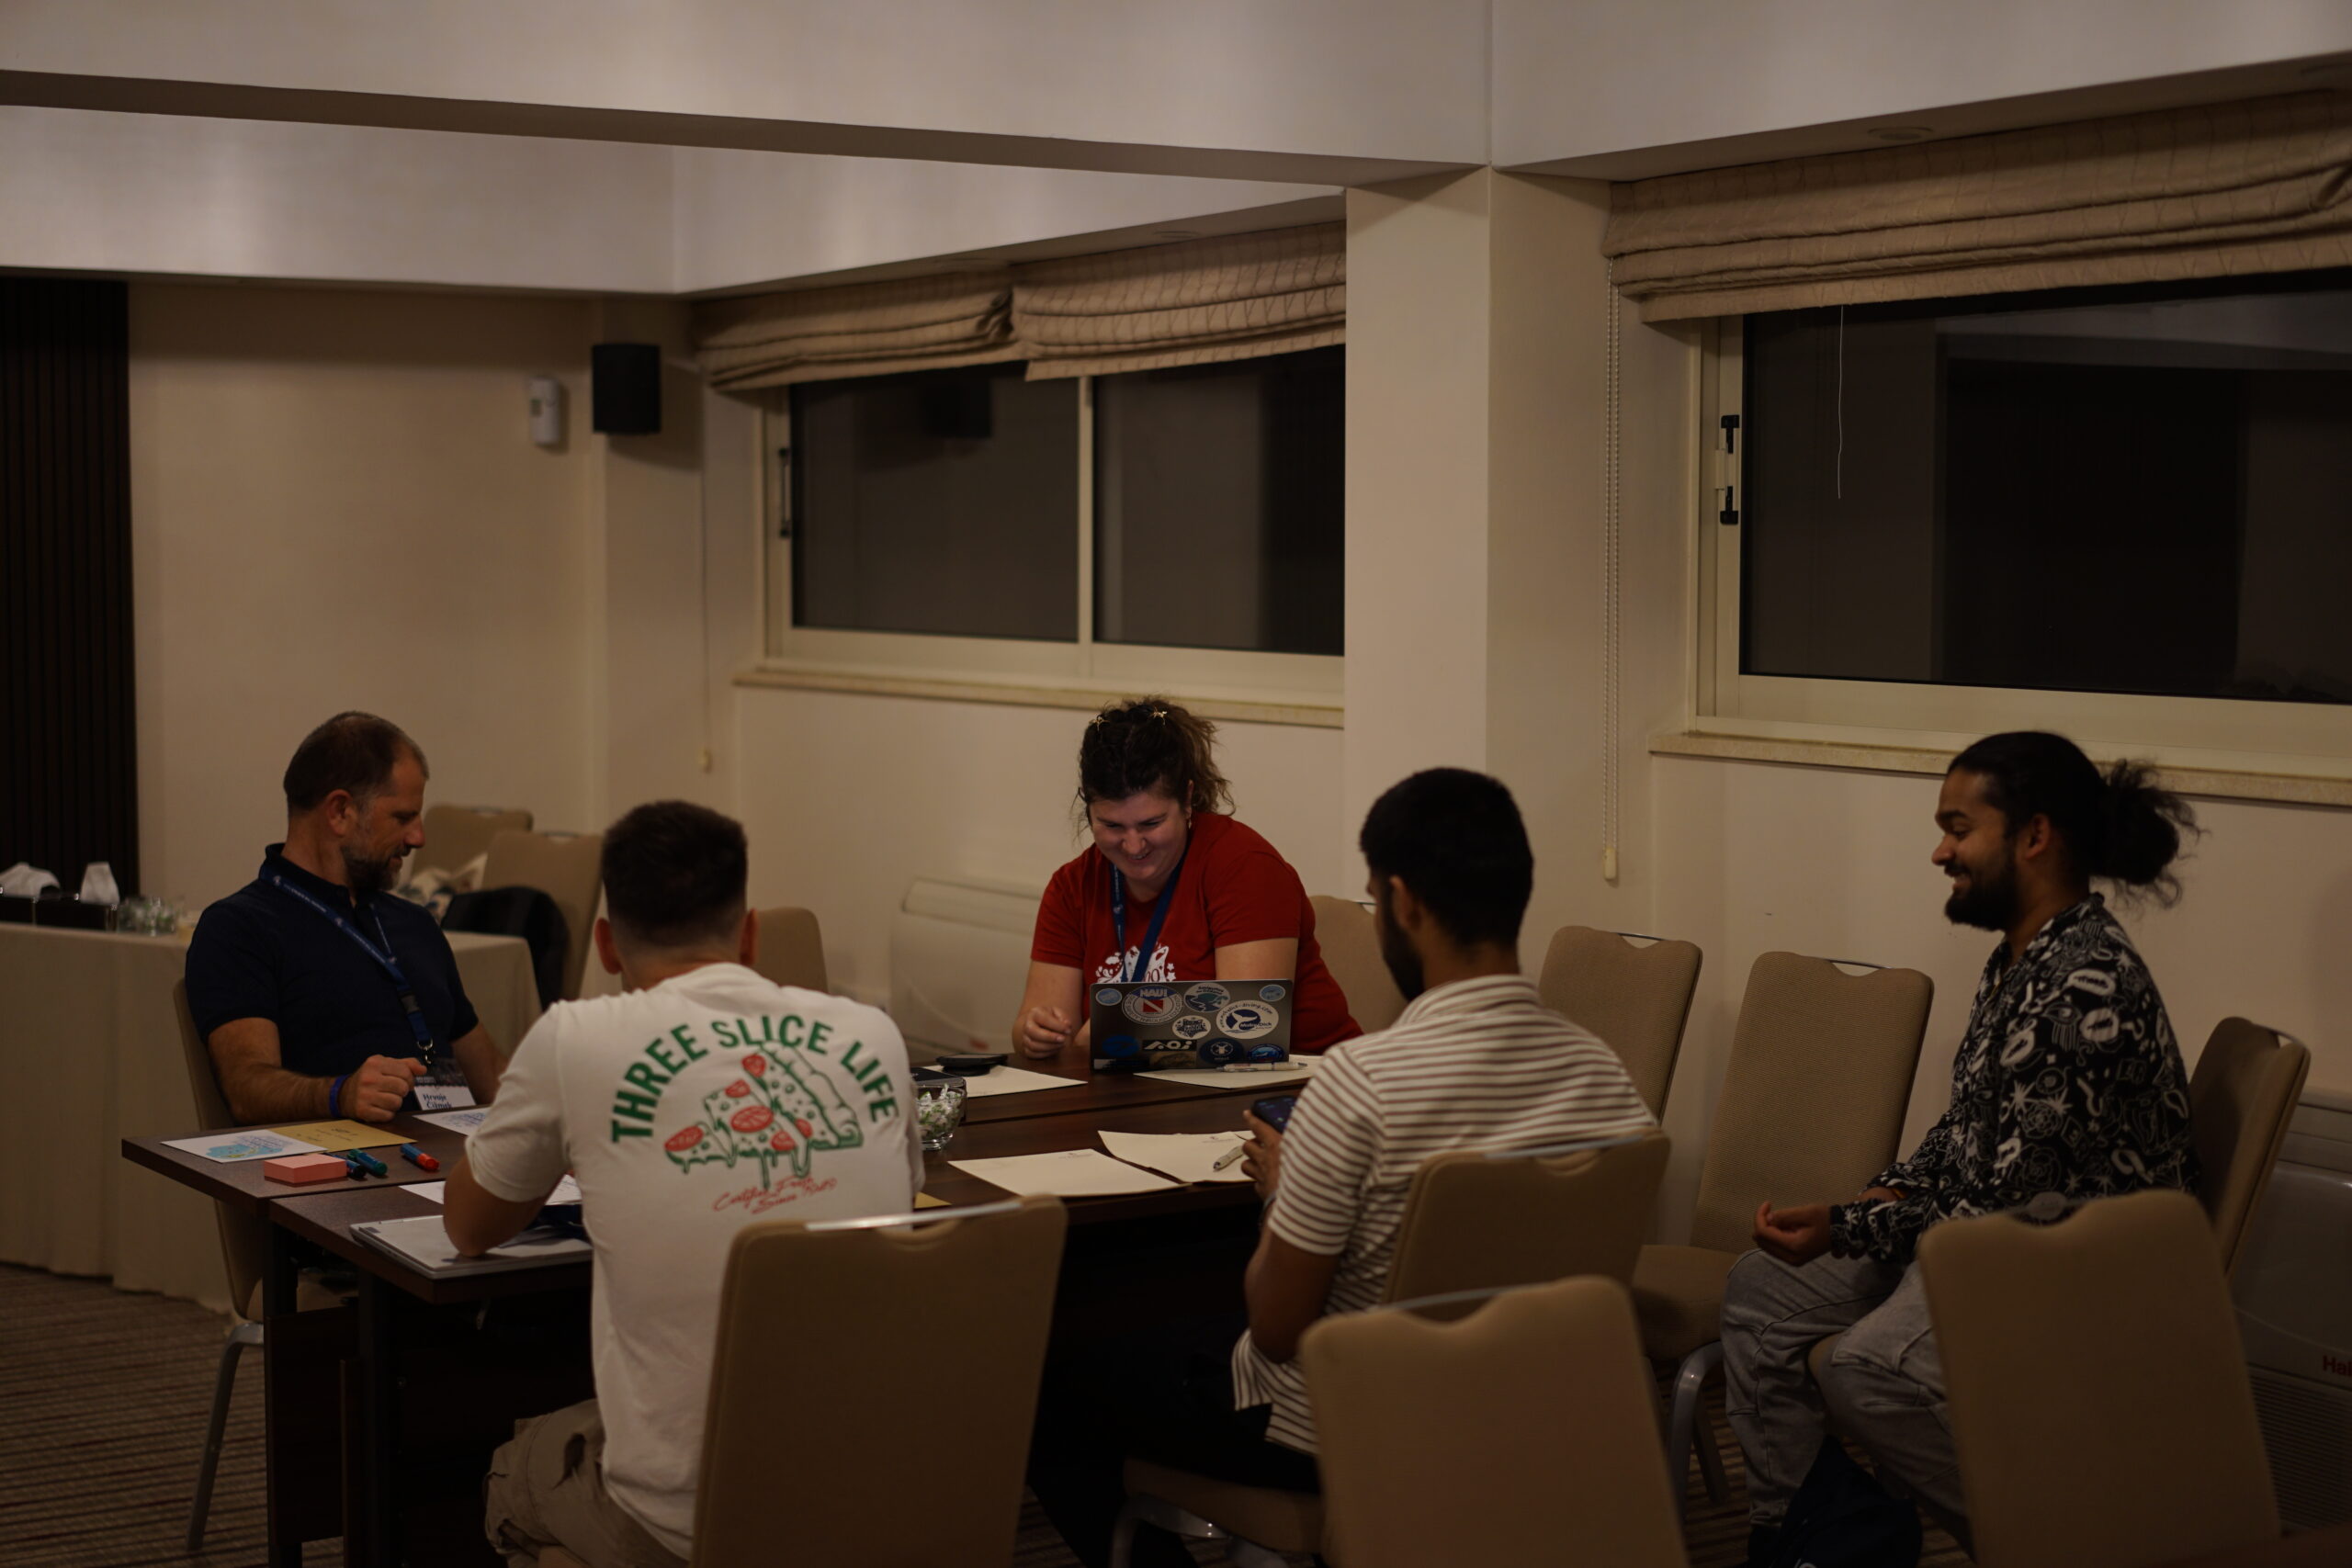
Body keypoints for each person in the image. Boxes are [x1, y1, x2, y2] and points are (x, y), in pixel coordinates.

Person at [1028, 768, 1654, 1568]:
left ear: (1403, 902)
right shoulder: (1606, 1079)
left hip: (1343, 1420)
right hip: (1529, 1410)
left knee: (1044, 1383)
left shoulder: (1358, 1085)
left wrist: (1282, 1191)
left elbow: (1277, 1327)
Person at [1723, 731, 2200, 1562]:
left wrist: (1848, 1226)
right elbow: (1969, 1125)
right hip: (1991, 1240)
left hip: (2060, 1275)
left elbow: (2006, 1214)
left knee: (1868, 1370)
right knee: (1760, 1292)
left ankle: (2062, 1543)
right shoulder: (2021, 957)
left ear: (2034, 835)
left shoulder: (2081, 991)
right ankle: (1828, 1538)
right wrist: (1893, 1190)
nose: (1940, 851)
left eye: (1958, 828)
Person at [449, 799, 922, 1568]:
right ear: (751, 933)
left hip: (684, 1523)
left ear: (606, 946)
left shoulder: (574, 1040)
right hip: (872, 1494)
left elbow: (468, 1227)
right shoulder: (874, 1033)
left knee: (513, 1469)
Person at [186, 711, 504, 1123]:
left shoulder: (414, 924)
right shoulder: (240, 929)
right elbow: (247, 1090)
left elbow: (493, 1077)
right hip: (345, 1157)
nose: (419, 838)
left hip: (453, 1151)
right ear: (339, 812)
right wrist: (338, 1094)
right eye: (402, 817)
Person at [1015, 696, 1361, 1063]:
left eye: (1151, 823)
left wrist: (1119, 1030)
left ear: (1188, 799)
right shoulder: (1073, 885)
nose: (1133, 845)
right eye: (1112, 825)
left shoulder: (1244, 866)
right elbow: (1037, 1029)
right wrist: (1036, 1034)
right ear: (1088, 810)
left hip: (1307, 1079)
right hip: (1146, 1085)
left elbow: (1249, 1026)